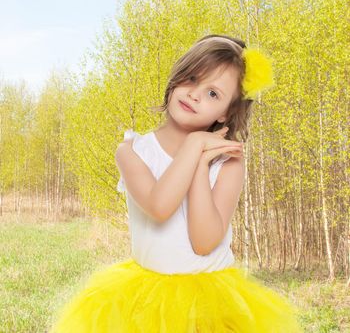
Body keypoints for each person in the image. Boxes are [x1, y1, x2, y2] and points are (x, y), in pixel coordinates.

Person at [49, 34, 303, 332]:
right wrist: (194, 146)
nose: (195, 94)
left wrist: (200, 166)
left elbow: (204, 241)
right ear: (176, 76)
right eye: (192, 78)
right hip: (144, 302)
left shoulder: (228, 162)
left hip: (213, 303)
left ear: (225, 113)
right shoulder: (132, 151)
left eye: (213, 94)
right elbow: (160, 205)